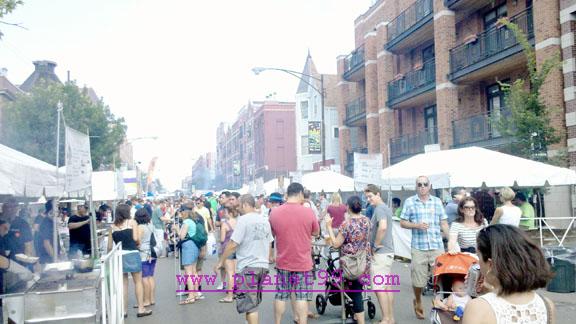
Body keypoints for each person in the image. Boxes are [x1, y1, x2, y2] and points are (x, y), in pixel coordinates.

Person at [463, 225, 556, 324]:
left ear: (490, 264)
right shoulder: (547, 305)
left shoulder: (478, 308)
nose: (478, 263)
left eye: (478, 256)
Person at [215, 194, 273, 324]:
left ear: (246, 204)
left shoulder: (244, 220)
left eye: (239, 205)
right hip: (262, 266)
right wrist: (269, 256)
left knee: (251, 306)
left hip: (249, 266)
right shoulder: (264, 220)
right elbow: (270, 242)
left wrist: (221, 261)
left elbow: (233, 243)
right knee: (253, 302)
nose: (238, 208)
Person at [269, 182, 319, 324]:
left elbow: (272, 234)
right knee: (302, 297)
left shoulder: (275, 212)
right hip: (303, 262)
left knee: (280, 295)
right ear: (300, 194)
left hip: (283, 261)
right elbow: (316, 232)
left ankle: (277, 322)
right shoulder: (308, 212)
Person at [400, 176, 450, 320]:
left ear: (430, 186)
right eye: (419, 184)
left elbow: (444, 223)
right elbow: (403, 222)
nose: (422, 186)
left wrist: (451, 241)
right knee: (418, 282)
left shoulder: (437, 201)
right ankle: (418, 299)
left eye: (425, 184)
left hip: (437, 246)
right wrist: (416, 225)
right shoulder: (410, 202)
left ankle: (438, 304)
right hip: (419, 247)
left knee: (440, 279)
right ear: (416, 186)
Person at [325, 196, 371, 324]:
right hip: (364, 260)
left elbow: (335, 244)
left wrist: (329, 226)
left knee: (355, 291)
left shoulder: (347, 224)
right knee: (359, 288)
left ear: (348, 207)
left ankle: (360, 320)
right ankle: (356, 315)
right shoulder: (367, 221)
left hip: (351, 263)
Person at [108, 204, 151, 318]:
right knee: (137, 281)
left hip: (119, 256)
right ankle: (141, 309)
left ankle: (124, 311)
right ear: (127, 212)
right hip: (132, 253)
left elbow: (109, 247)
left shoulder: (112, 226)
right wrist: (137, 244)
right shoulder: (132, 222)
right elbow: (136, 239)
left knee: (123, 284)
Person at [365, 184, 395, 324]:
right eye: (367, 197)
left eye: (370, 196)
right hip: (387, 252)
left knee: (378, 287)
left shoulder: (380, 209)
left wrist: (375, 245)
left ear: (378, 194)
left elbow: (382, 227)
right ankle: (390, 318)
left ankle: (386, 318)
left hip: (381, 253)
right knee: (387, 287)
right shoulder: (385, 208)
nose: (369, 199)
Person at [178, 205, 200, 305]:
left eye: (181, 211)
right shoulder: (193, 221)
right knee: (194, 271)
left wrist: (176, 229)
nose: (180, 213)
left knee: (188, 272)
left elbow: (182, 236)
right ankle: (195, 293)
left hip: (188, 246)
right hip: (195, 246)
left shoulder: (186, 222)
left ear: (184, 212)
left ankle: (191, 296)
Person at [135, 208, 157, 308]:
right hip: (152, 252)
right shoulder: (151, 225)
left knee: (144, 278)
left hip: (143, 253)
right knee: (150, 276)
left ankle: (146, 300)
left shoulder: (140, 227)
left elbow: (138, 241)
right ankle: (152, 299)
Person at [219, 198, 238, 303]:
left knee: (230, 273)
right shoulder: (238, 222)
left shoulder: (225, 224)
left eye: (225, 212)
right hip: (236, 248)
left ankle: (229, 296)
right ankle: (235, 293)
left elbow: (222, 239)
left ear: (229, 213)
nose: (223, 213)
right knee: (235, 273)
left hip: (227, 249)